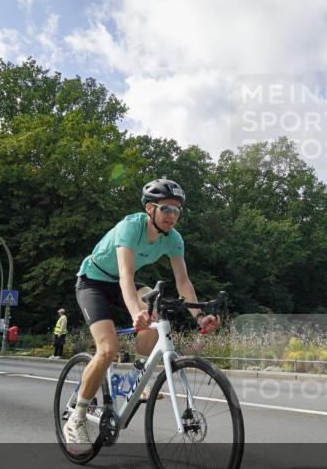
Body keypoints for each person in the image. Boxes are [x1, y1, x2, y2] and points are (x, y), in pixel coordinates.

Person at [63, 179, 220, 453]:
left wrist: (199, 317)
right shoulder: (130, 226)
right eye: (167, 209)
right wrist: (136, 313)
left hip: (123, 283)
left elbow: (183, 282)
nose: (173, 216)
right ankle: (77, 415)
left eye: (177, 211)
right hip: (94, 282)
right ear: (150, 208)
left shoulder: (174, 240)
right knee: (108, 349)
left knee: (156, 316)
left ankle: (138, 375)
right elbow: (126, 275)